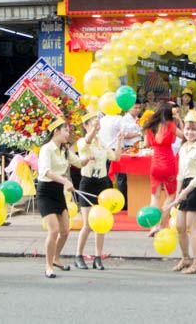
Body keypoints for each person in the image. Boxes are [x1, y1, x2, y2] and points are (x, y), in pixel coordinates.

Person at [37, 117, 86, 279]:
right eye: (65, 130)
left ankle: (56, 258)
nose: (68, 134)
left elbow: (79, 163)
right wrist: (65, 180)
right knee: (54, 230)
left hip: (58, 191)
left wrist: (91, 156)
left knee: (65, 231)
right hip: (46, 192)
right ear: (56, 131)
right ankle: (48, 265)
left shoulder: (64, 150)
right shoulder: (46, 149)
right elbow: (46, 171)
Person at [74, 111, 119, 271]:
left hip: (102, 183)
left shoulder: (102, 142)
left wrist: (119, 141)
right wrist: (93, 128)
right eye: (91, 122)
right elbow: (86, 141)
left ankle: (98, 257)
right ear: (85, 126)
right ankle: (78, 256)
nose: (95, 123)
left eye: (96, 121)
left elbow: (116, 157)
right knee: (87, 224)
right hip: (87, 183)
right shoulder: (82, 141)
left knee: (101, 223)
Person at [168, 110, 196, 275]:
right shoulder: (183, 147)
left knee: (193, 227)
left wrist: (185, 192)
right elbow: (180, 173)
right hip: (184, 186)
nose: (190, 132)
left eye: (193, 129)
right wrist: (178, 193)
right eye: (187, 129)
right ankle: (185, 258)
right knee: (179, 226)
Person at [144, 103, 183, 235]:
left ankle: (152, 226)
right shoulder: (171, 125)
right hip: (168, 162)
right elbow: (184, 136)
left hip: (155, 163)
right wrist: (179, 121)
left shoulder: (149, 126)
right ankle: (162, 225)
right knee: (170, 195)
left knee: (154, 196)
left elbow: (146, 144)